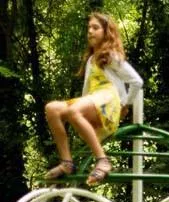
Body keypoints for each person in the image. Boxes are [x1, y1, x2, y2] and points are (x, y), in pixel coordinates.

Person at [44, 12, 143, 186]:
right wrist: (80, 117)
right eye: (89, 28)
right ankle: (66, 162)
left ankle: (103, 160)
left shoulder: (111, 56)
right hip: (93, 99)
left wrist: (125, 103)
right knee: (52, 108)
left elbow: (136, 81)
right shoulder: (91, 60)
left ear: (106, 32)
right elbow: (87, 90)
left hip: (109, 101)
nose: (90, 31)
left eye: (95, 28)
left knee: (74, 110)